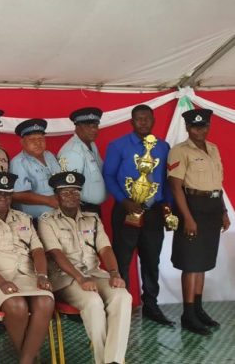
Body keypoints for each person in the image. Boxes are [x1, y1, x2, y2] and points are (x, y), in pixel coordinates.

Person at [38, 171, 132, 364]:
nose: (71, 196)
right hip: (67, 279)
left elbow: (105, 249)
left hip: (95, 273)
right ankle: (103, 360)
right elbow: (56, 254)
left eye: (75, 192)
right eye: (65, 193)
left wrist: (115, 273)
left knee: (123, 296)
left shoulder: (93, 219)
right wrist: (81, 279)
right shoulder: (47, 221)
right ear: (56, 196)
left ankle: (113, 360)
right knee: (93, 302)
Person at [0, 172, 54, 364]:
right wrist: (2, 282)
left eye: (7, 195)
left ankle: (25, 360)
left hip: (26, 276)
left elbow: (38, 249)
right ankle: (31, 358)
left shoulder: (23, 218)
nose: (3, 199)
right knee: (17, 306)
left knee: (46, 301)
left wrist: (42, 275)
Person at [102, 104, 174, 326]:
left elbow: (166, 180)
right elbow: (109, 176)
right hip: (126, 210)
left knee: (151, 260)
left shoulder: (163, 146)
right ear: (132, 122)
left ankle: (151, 305)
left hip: (153, 212)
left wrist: (167, 207)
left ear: (153, 120)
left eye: (147, 119)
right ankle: (121, 306)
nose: (143, 122)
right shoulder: (118, 146)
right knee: (122, 260)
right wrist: (124, 201)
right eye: (138, 119)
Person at [167, 108, 229, 335]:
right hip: (192, 207)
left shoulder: (213, 149)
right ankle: (188, 314)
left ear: (208, 127)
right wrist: (188, 218)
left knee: (203, 262)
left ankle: (199, 309)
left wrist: (223, 211)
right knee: (191, 263)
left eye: (203, 126)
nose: (199, 130)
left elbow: (217, 184)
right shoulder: (179, 151)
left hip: (212, 208)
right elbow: (175, 187)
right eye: (195, 126)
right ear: (187, 128)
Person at [58, 107, 106, 215]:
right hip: (80, 209)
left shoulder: (91, 144)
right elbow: (68, 189)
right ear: (77, 127)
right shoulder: (72, 151)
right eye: (87, 126)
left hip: (91, 209)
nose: (93, 130)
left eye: (95, 126)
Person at [10, 118, 61, 220]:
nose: (38, 143)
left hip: (59, 216)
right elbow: (17, 195)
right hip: (35, 220)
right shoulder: (18, 163)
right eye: (32, 140)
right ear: (22, 142)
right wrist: (49, 201)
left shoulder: (50, 156)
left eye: (40, 139)